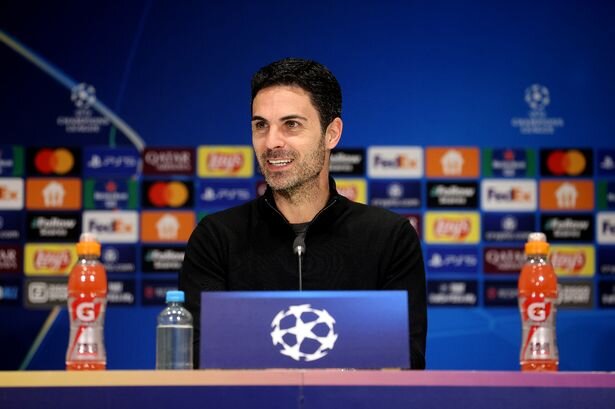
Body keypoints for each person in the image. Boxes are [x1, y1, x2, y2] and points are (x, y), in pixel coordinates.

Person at [179, 58, 427, 369]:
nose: (272, 142)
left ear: (331, 134)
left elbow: (406, 362)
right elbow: (196, 360)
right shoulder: (216, 237)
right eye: (261, 126)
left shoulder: (389, 237)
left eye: (291, 124)